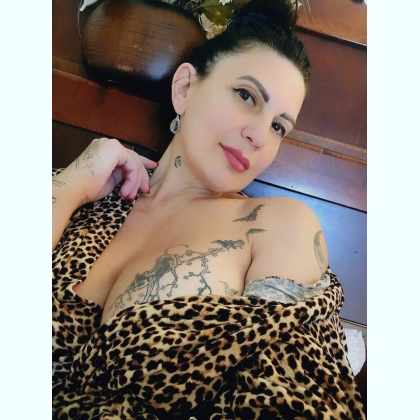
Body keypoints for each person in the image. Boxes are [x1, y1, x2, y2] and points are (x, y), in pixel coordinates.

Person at [52, 0, 365, 418]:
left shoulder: (276, 226)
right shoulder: (82, 195)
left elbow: (294, 400)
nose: (259, 135)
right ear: (185, 88)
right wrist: (72, 183)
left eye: (278, 127)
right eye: (246, 95)